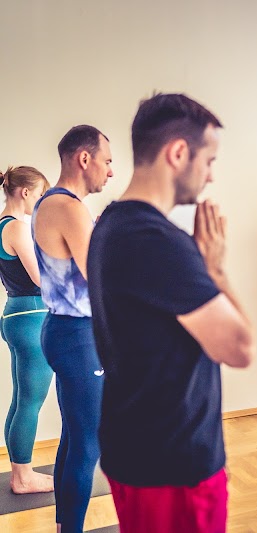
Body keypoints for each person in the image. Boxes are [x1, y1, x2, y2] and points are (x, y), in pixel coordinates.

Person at [87, 93, 253, 533]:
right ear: (178, 153)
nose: (211, 175)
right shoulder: (156, 241)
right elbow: (241, 348)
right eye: (209, 160)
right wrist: (215, 268)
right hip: (172, 465)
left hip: (138, 449)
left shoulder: (110, 224)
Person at [32, 125, 112, 533]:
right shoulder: (68, 207)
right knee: (88, 445)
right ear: (85, 158)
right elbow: (100, 278)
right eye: (107, 161)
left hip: (63, 331)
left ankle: (66, 526)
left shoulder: (51, 202)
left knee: (74, 437)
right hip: (78, 336)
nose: (110, 171)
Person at [0, 166, 52, 494]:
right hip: (32, 317)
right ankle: (23, 477)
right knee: (31, 401)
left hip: (15, 315)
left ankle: (19, 471)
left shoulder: (2, 225)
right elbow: (41, 279)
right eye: (41, 194)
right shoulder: (17, 228)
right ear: (25, 192)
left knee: (21, 399)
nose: (42, 201)